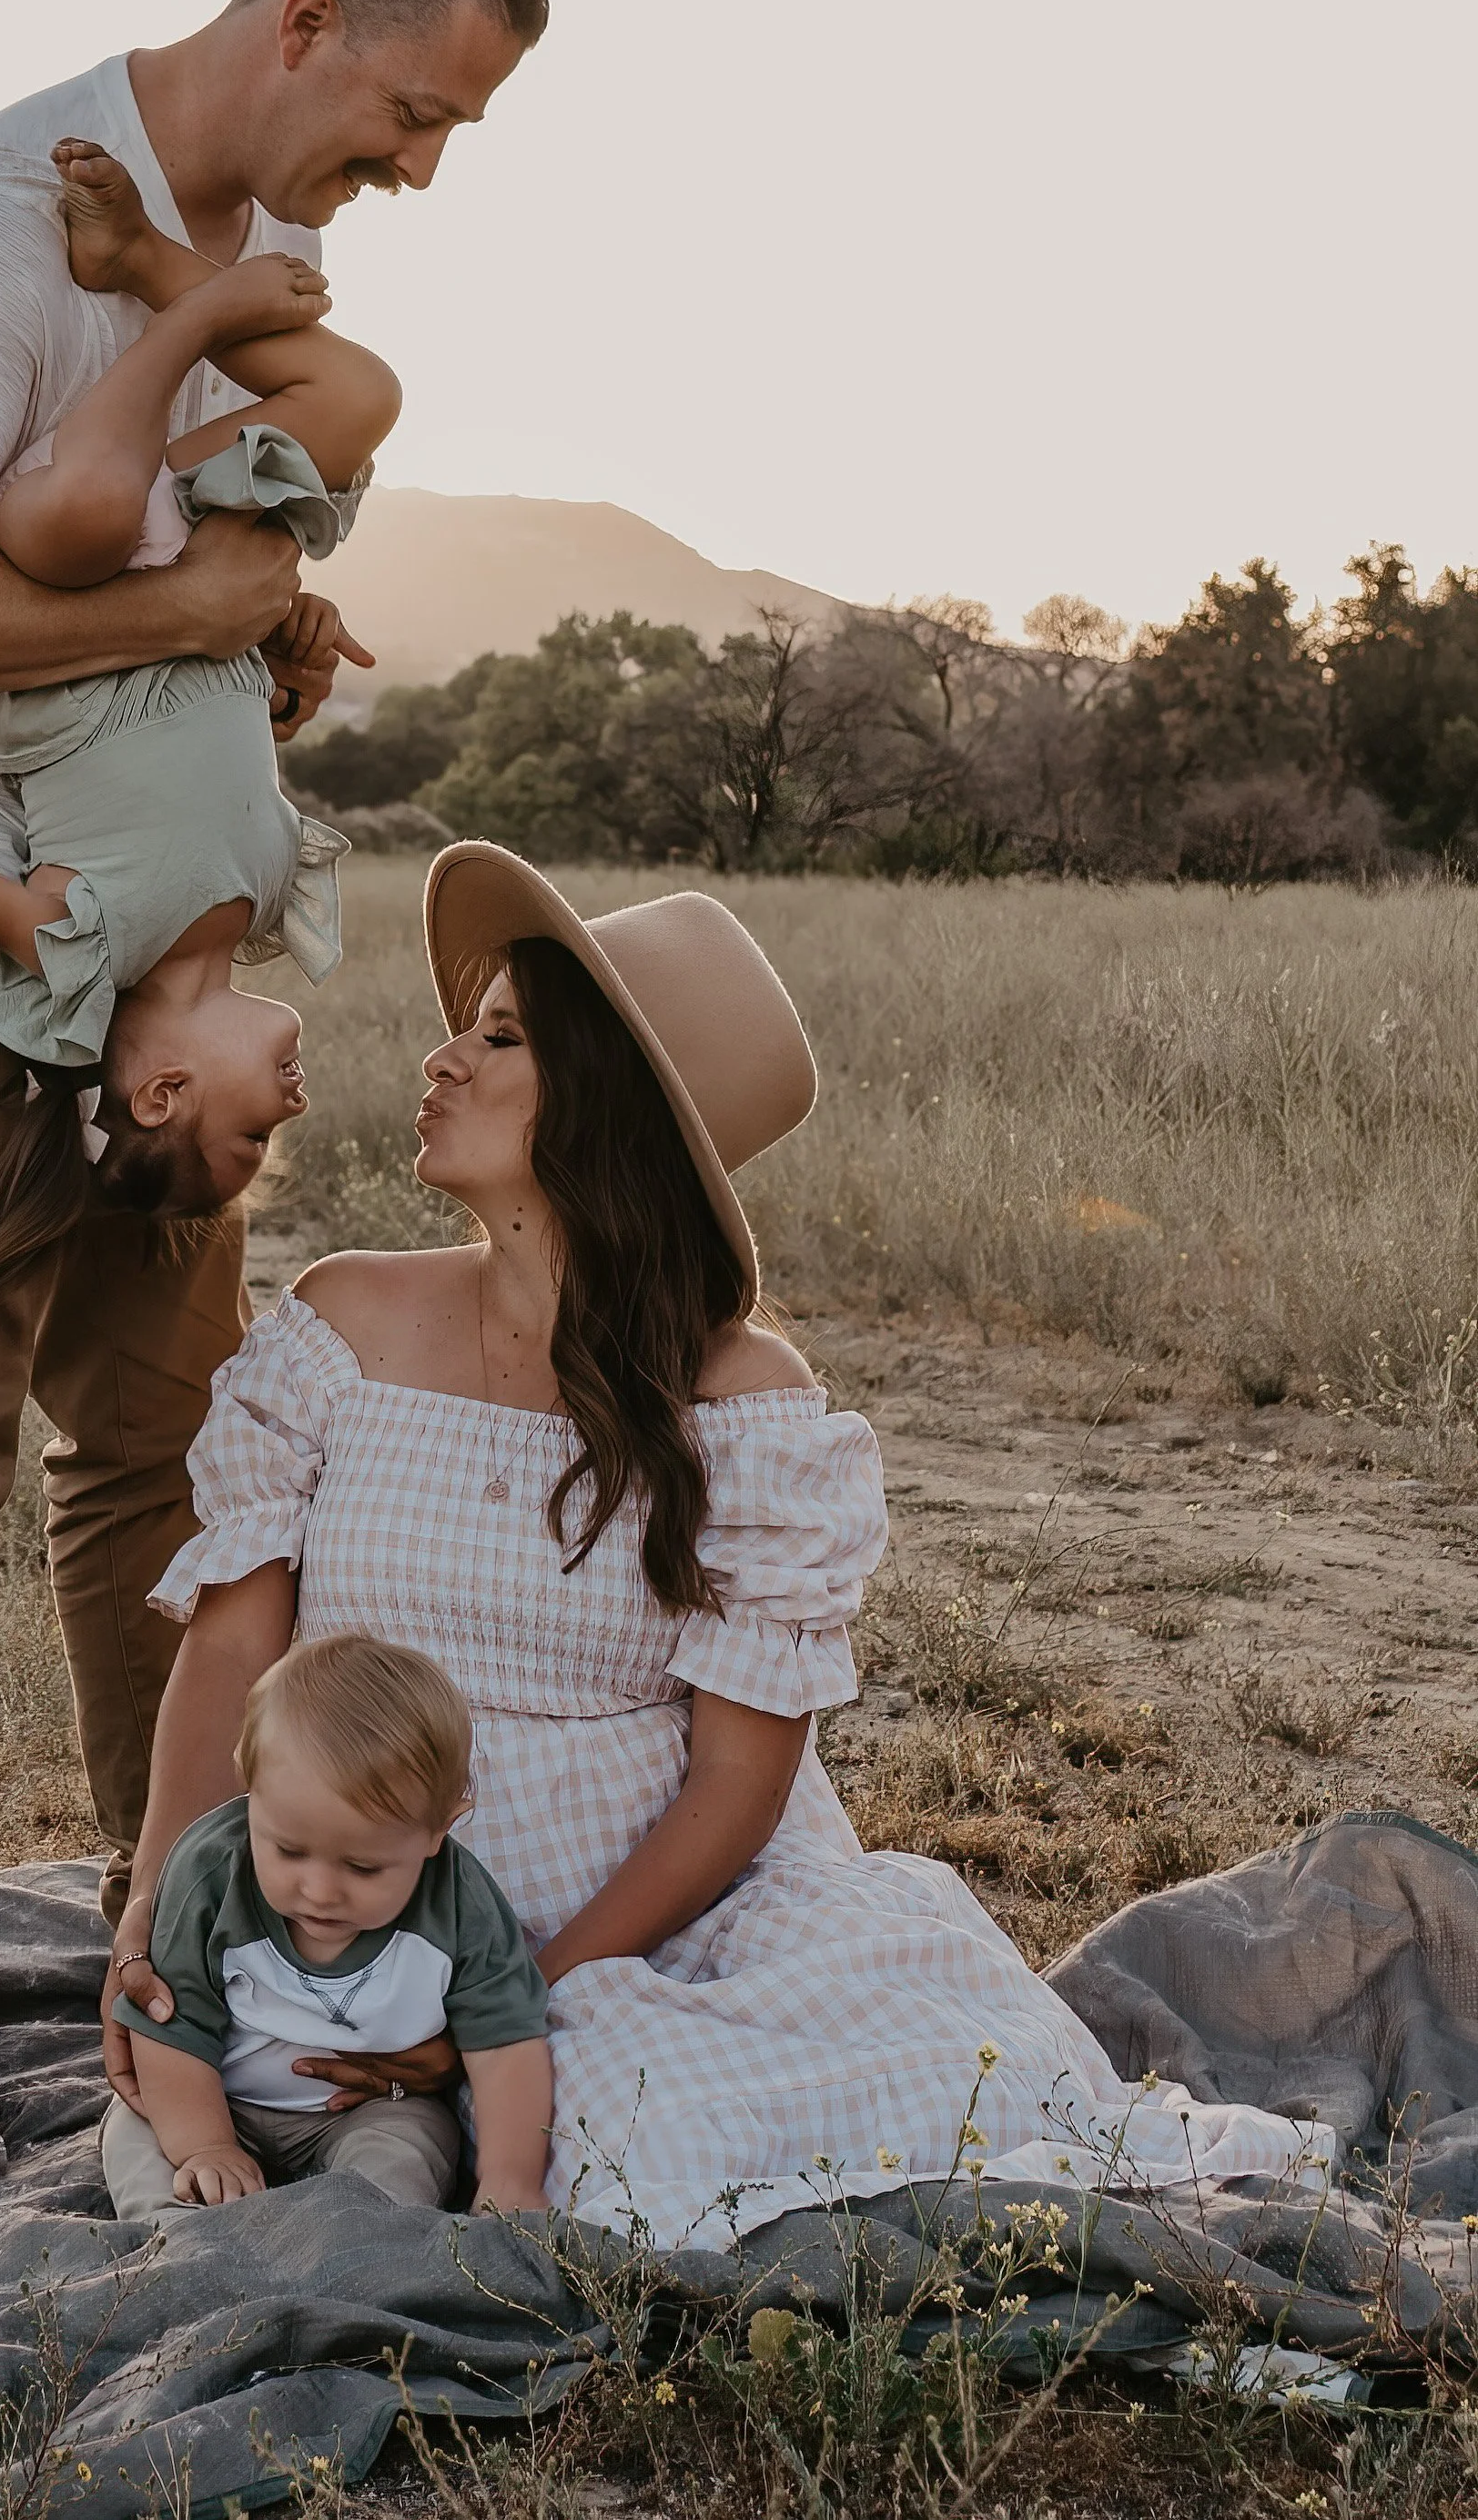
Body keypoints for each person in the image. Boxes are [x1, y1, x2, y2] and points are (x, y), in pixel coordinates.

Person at [0, 0, 548, 2183]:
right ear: (304, 19)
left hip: (145, 960)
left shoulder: (263, 270)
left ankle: (172, 1928)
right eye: (415, 111)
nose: (415, 166)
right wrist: (192, 589)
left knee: (164, 1454)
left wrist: (249, 628)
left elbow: (250, 551)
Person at [102, 844, 1331, 2242]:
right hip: (350, 1858)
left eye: (500, 1037)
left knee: (700, 2147)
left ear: (605, 1119)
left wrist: (514, 1994)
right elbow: (234, 1641)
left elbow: (741, 1782)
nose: (440, 1058)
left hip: (645, 1911)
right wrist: (157, 1910)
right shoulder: (341, 1324)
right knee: (215, 2106)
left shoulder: (742, 1406)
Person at [0, 137, 406, 1205]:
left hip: (70, 571)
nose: (294, 1113)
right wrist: (288, 643)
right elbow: (203, 747)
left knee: (80, 510)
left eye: (252, 1142)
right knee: (361, 391)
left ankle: (188, 322)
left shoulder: (84, 949)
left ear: (164, 1095)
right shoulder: (264, 904)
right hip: (188, 547)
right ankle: (140, 257)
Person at [104, 1634, 552, 2215]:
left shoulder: (461, 1905)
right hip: (210, 2097)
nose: (319, 1891)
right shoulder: (212, 1874)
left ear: (440, 1829)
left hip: (371, 2106)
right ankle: (176, 2245)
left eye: (363, 1867)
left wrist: (510, 2178)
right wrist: (207, 2146)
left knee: (408, 2151)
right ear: (249, 1786)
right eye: (288, 1851)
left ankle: (355, 2246)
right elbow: (169, 2025)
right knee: (139, 2133)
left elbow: (508, 2044)